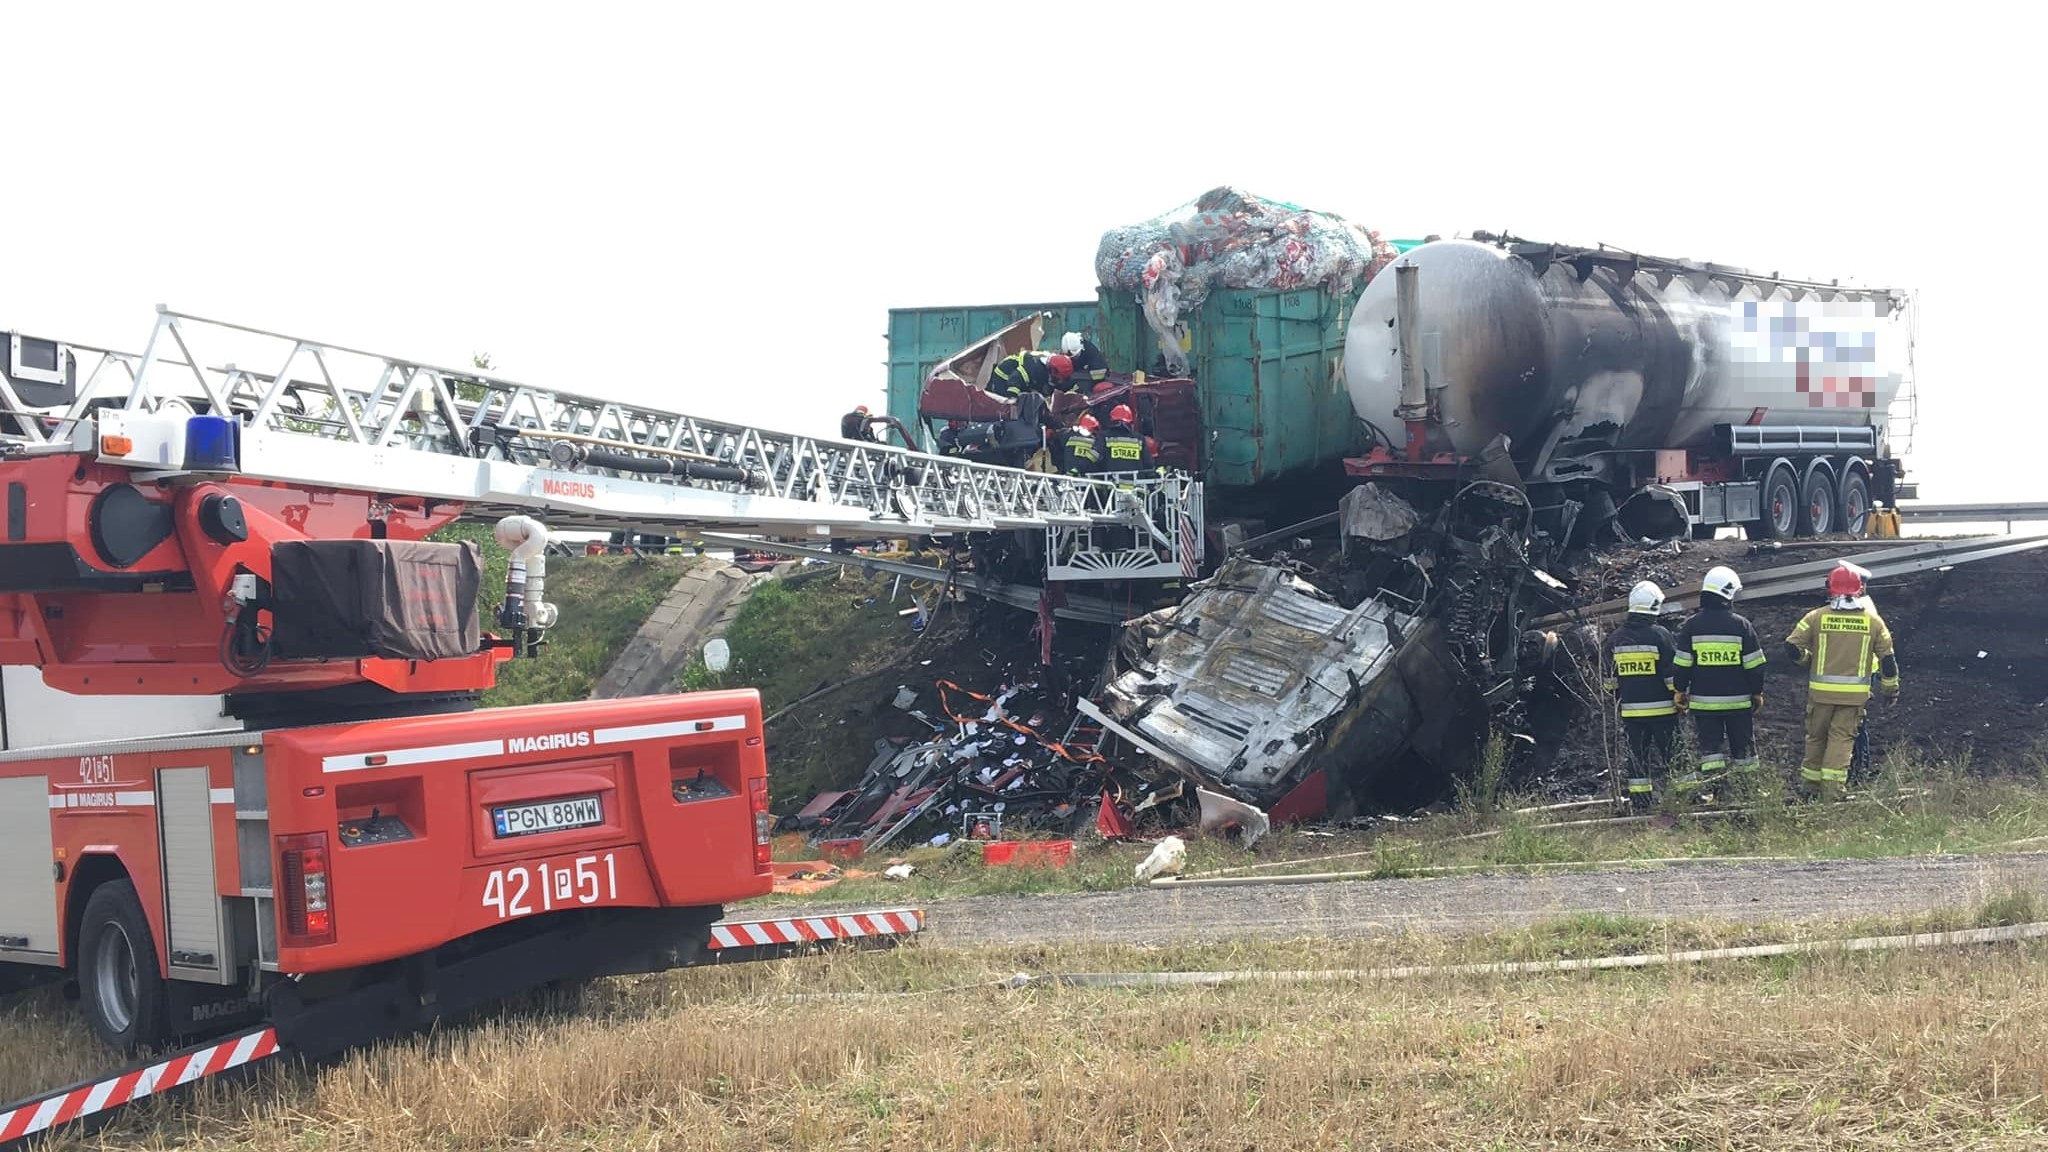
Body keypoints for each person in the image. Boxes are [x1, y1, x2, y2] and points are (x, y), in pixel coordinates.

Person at [1782, 562, 1901, 801]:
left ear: (1830, 588)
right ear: (1859, 589)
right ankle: (1833, 792)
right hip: (1853, 697)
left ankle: (1810, 788)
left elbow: (1792, 646)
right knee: (1841, 740)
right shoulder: (1873, 622)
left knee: (1816, 738)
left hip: (1820, 695)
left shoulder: (1815, 617)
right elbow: (1888, 660)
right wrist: (1891, 690)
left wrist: (1807, 661)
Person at [1670, 564, 1768, 796]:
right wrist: (1757, 692)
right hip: (1738, 704)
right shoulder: (1741, 625)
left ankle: (1716, 791)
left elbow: (1682, 664)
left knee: (1710, 751)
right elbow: (1755, 665)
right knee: (1743, 748)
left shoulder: (1691, 626)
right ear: (1728, 593)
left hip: (1705, 705)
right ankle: (1747, 791)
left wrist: (1679, 690)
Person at [1600, 581, 1681, 810]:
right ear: (1654, 606)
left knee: (1637, 759)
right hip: (1663, 711)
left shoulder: (1615, 639)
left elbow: (1609, 681)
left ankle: (1640, 801)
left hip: (1631, 712)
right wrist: (1679, 696)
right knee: (1675, 754)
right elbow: (1671, 675)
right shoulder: (1660, 635)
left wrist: (1619, 697)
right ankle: (1688, 797)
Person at [987, 350, 1073, 399]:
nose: (1058, 381)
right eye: (1057, 379)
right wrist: (1012, 400)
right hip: (1003, 377)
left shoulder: (1048, 365)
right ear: (1052, 370)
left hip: (1018, 377)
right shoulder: (1034, 368)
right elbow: (1015, 379)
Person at [1101, 404, 1159, 474]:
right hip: (1136, 483)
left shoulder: (1104, 437)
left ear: (1112, 420)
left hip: (1112, 483)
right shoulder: (1139, 439)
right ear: (1130, 422)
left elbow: (1097, 459)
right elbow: (1148, 463)